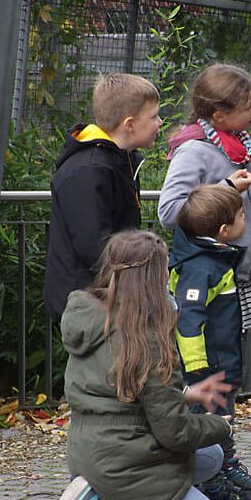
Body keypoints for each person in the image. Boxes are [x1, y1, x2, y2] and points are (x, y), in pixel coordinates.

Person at [39, 230, 236, 500]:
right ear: (152, 278)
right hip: (126, 463)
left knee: (211, 457)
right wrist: (222, 426)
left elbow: (120, 396)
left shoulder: (92, 316)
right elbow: (175, 433)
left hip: (88, 453)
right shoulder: (146, 337)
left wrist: (184, 394)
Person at [157, 62, 251, 494]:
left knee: (228, 375)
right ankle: (209, 468)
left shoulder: (239, 144)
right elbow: (170, 211)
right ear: (219, 114)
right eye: (248, 106)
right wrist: (226, 188)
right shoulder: (194, 151)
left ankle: (224, 459)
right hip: (208, 280)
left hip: (236, 278)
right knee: (211, 377)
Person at [169, 183, 251, 500]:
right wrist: (198, 368)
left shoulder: (213, 256)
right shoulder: (200, 267)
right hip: (208, 365)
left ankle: (226, 466)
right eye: (241, 215)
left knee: (221, 416)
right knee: (208, 420)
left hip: (221, 358)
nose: (245, 219)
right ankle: (210, 480)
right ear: (224, 230)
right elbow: (188, 319)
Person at [45, 73, 162, 320]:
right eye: (154, 117)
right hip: (89, 303)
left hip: (111, 296)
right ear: (129, 124)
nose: (159, 123)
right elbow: (95, 247)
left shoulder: (119, 160)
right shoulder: (89, 170)